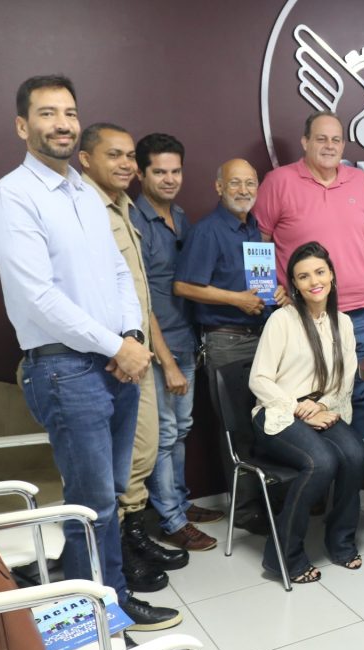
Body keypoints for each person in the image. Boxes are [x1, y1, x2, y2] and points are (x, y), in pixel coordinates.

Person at [0, 74, 179, 632]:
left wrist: (130, 338)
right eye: (47, 113)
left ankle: (103, 605)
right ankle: (101, 620)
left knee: (107, 496)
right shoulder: (11, 198)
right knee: (91, 505)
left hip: (115, 363)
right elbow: (37, 298)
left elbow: (118, 273)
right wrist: (118, 344)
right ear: (23, 126)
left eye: (69, 112)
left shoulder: (85, 195)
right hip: (64, 368)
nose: (62, 123)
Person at [253, 112, 364, 495]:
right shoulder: (278, 182)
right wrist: (267, 289)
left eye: (336, 139)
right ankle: (317, 478)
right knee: (309, 394)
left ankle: (359, 472)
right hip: (305, 314)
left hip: (359, 309)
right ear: (305, 142)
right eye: (321, 138)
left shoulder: (359, 181)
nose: (329, 146)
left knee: (358, 393)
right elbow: (258, 239)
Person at [78, 122, 190, 593]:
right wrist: (120, 345)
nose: (125, 164)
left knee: (140, 454)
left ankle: (133, 538)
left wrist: (140, 344)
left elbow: (135, 292)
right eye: (115, 155)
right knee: (120, 464)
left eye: (128, 156)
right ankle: (117, 564)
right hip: (109, 359)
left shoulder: (121, 206)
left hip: (136, 349)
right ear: (86, 159)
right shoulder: (83, 208)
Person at [249, 242, 364, 584]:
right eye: (303, 277)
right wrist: (299, 409)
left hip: (321, 408)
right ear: (295, 285)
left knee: (356, 455)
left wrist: (323, 404)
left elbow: (346, 377)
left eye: (319, 272)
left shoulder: (343, 322)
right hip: (278, 410)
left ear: (332, 276)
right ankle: (282, 555)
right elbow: (259, 379)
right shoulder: (281, 320)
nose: (314, 281)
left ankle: (341, 541)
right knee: (321, 462)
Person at [132, 132, 222, 553]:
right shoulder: (135, 222)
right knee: (165, 433)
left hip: (186, 340)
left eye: (175, 171)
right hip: (157, 347)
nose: (169, 179)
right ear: (141, 173)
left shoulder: (181, 216)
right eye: (159, 172)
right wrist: (165, 361)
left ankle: (180, 504)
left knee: (180, 429)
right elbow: (139, 300)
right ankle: (170, 519)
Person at [174, 158, 274, 533]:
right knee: (238, 429)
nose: (243, 190)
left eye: (250, 183)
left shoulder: (253, 228)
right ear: (219, 187)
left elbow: (256, 286)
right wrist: (236, 300)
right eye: (235, 183)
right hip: (227, 340)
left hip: (261, 336)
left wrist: (275, 293)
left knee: (266, 422)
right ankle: (246, 511)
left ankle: (269, 498)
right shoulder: (207, 231)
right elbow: (183, 286)